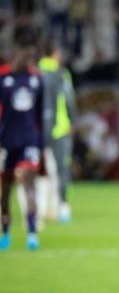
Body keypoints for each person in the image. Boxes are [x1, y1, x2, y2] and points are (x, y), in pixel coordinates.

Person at [0, 29, 45, 251]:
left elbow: (39, 115)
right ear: (14, 54)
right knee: (5, 190)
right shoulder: (3, 78)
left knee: (27, 182)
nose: (28, 59)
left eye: (31, 55)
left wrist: (41, 144)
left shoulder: (37, 79)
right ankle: (6, 231)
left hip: (29, 141)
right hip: (6, 143)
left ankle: (32, 233)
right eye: (25, 54)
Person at [38, 39, 77, 224]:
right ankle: (62, 207)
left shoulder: (35, 72)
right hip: (60, 129)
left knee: (41, 170)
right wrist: (72, 120)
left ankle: (42, 208)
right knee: (61, 169)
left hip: (37, 129)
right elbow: (69, 99)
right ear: (54, 53)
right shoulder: (62, 74)